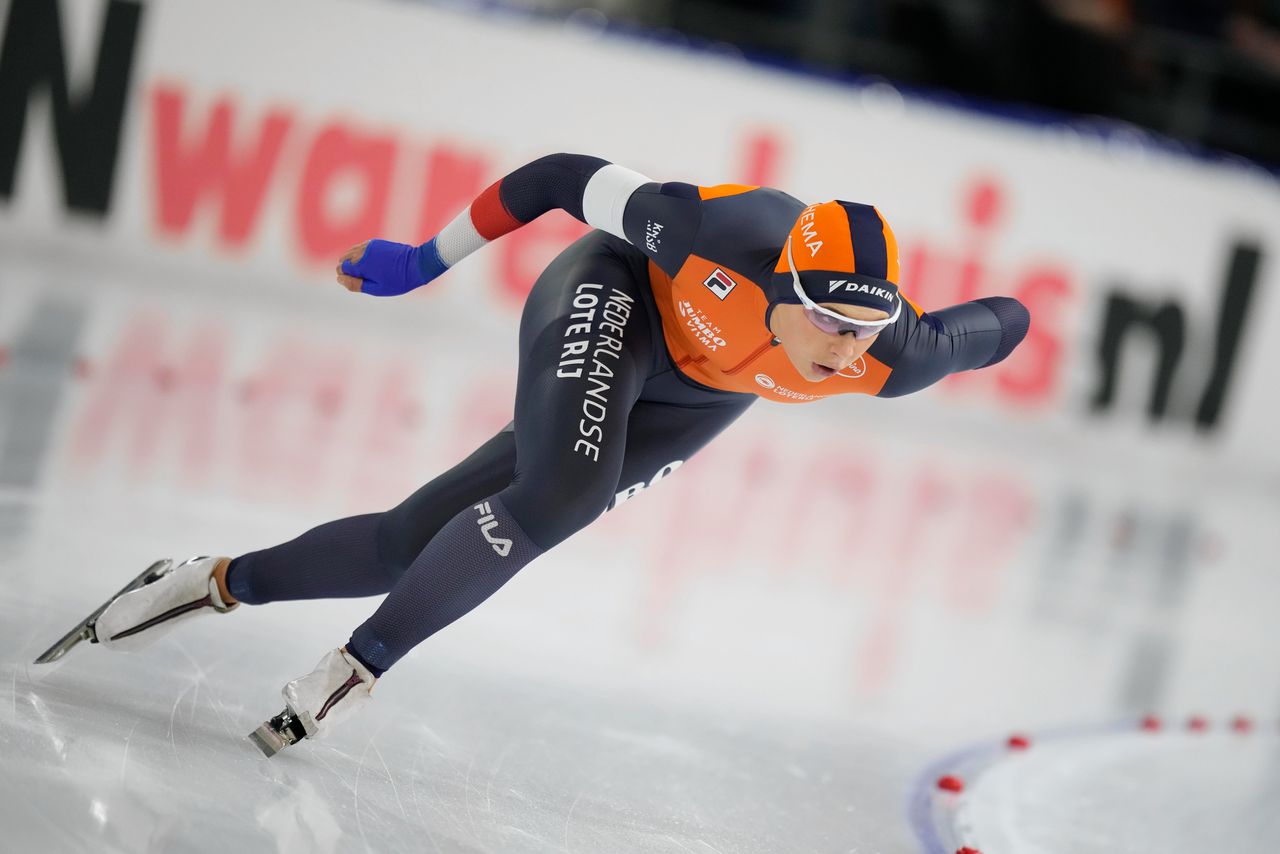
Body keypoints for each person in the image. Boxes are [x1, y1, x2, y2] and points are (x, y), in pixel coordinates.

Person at [40, 153, 1029, 754]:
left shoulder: (894, 356)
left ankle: (212, 580)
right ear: (781, 280)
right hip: (619, 298)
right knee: (558, 491)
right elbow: (559, 177)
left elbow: (1008, 318)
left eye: (864, 329)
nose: (841, 350)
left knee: (405, 544)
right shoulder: (705, 232)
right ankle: (359, 664)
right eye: (825, 321)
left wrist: (966, 321)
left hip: (703, 397)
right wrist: (419, 260)